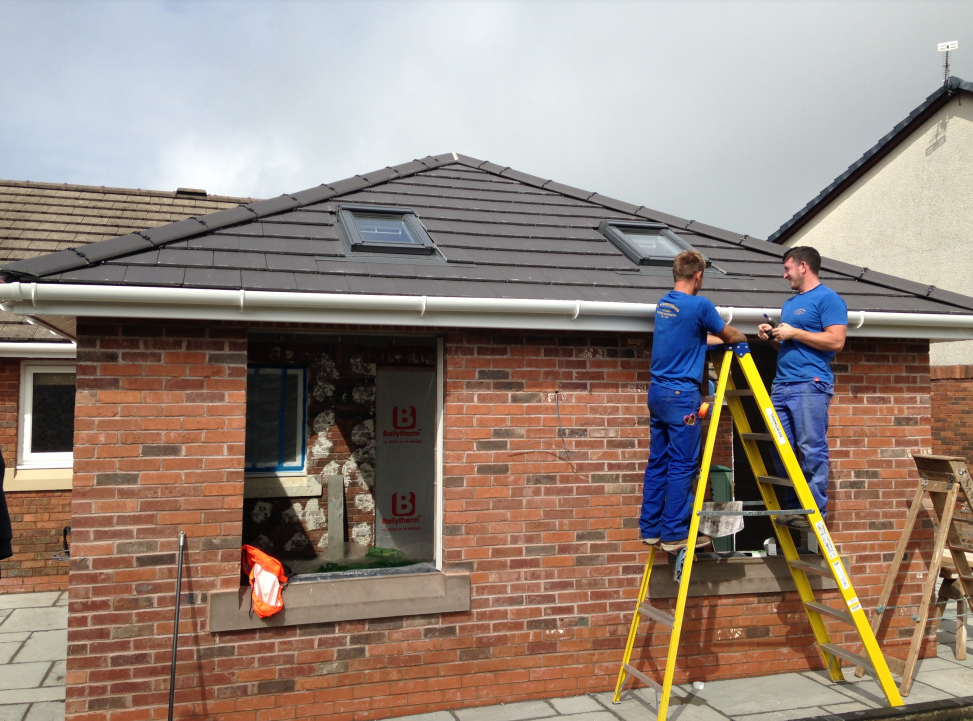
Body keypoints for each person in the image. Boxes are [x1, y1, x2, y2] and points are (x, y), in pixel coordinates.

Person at [641, 250, 746, 552]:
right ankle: (674, 533)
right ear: (698, 276)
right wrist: (745, 337)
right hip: (681, 397)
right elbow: (729, 335)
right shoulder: (700, 305)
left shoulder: (665, 305)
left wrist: (710, 338)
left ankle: (650, 529)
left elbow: (694, 338)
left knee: (658, 461)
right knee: (683, 465)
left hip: (657, 394)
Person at [757, 246, 847, 529]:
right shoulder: (789, 304)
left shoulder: (829, 299)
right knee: (779, 447)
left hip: (810, 384)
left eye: (788, 269)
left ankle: (815, 510)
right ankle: (795, 507)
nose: (785, 275)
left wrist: (795, 332)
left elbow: (836, 342)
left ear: (804, 267)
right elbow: (788, 345)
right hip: (782, 384)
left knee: (811, 447)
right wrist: (772, 336)